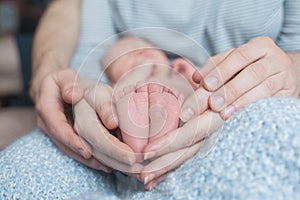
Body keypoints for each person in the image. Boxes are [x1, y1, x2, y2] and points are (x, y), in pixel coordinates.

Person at [0, 0, 299, 198]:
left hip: (248, 113)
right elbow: (75, 16)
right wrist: (56, 78)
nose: (138, 58)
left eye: (142, 58)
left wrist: (293, 68)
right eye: (128, 65)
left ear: (181, 68)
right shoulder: (105, 72)